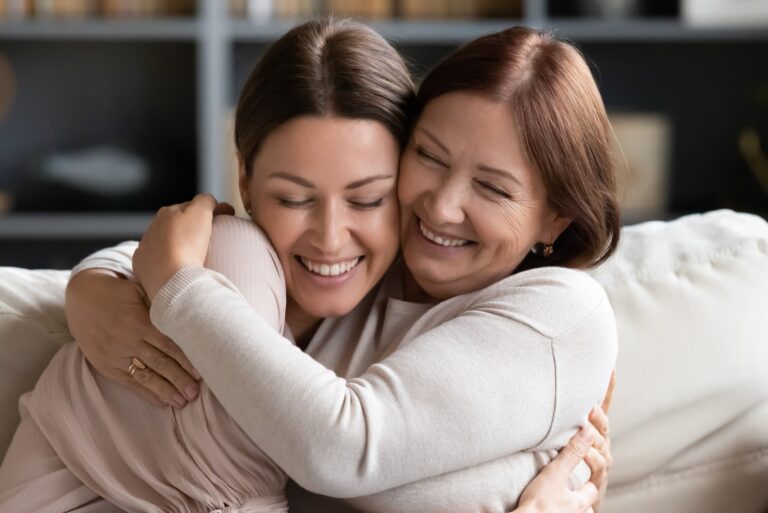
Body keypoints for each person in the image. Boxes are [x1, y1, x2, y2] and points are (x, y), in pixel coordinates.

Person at [0, 20, 617, 513]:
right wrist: (99, 282)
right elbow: (210, 246)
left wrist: (177, 289)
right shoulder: (351, 269)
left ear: (557, 219)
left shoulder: (557, 315)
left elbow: (346, 454)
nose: (441, 205)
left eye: (494, 188)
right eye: (429, 157)